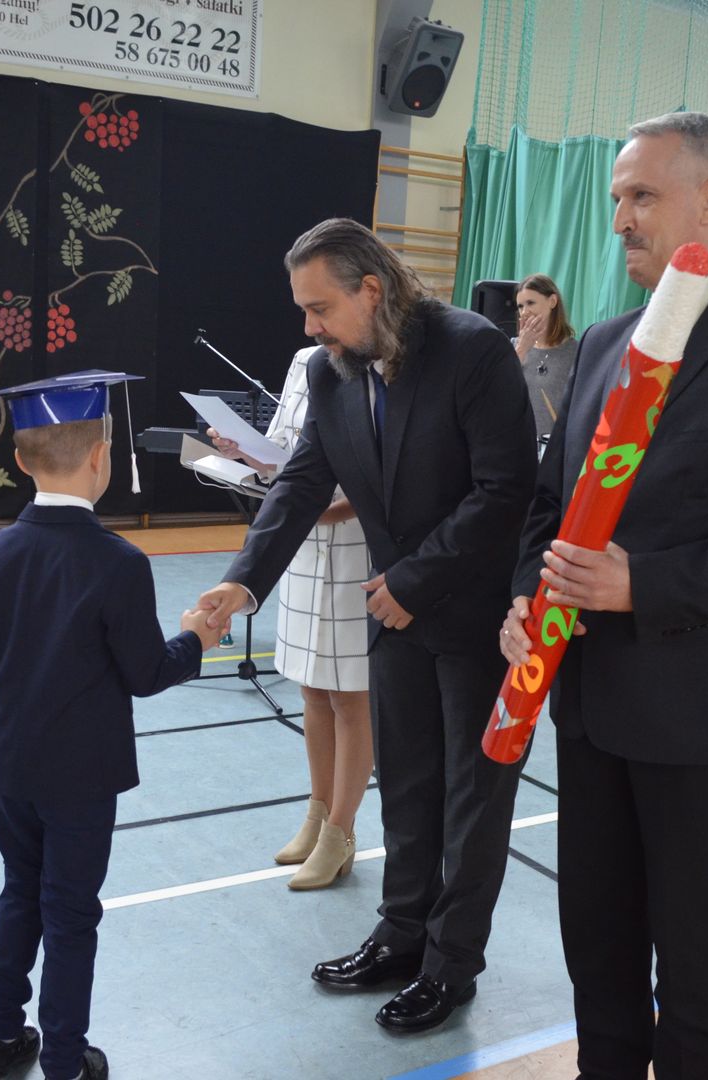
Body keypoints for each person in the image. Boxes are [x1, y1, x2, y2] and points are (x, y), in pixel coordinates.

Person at [498, 112, 708, 1079]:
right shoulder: (602, 344)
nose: (620, 218)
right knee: (595, 939)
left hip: (697, 713)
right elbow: (547, 505)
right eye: (617, 197)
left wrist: (640, 583)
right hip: (589, 704)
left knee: (688, 961)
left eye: (641, 195)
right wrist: (526, 597)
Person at [198, 217, 536, 1034]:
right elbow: (302, 481)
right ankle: (401, 934)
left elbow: (504, 489)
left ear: (371, 290)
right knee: (408, 787)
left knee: (470, 800)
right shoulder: (330, 371)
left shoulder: (471, 350)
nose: (308, 327)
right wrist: (242, 582)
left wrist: (413, 581)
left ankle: (451, 965)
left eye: (319, 308)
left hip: (474, 618)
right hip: (395, 618)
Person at [0, 370, 221, 1080]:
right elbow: (145, 673)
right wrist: (197, 639)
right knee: (71, 913)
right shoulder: (118, 563)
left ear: (20, 459)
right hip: (80, 778)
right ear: (103, 456)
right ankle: (65, 1062)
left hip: (10, 764)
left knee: (20, 889)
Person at [206, 345, 373, 891]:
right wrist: (244, 453)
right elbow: (285, 455)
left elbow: (390, 469)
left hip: (359, 545)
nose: (311, 324)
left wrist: (336, 509)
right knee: (312, 689)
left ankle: (341, 832)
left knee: (350, 695)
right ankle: (317, 815)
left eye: (320, 308)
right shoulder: (305, 360)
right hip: (304, 541)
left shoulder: (383, 362)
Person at [511, 272, 578, 448]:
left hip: (556, 448)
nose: (525, 312)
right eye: (520, 306)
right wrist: (522, 348)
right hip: (518, 445)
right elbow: (500, 390)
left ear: (552, 301)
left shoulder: (576, 351)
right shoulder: (513, 348)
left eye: (530, 303)